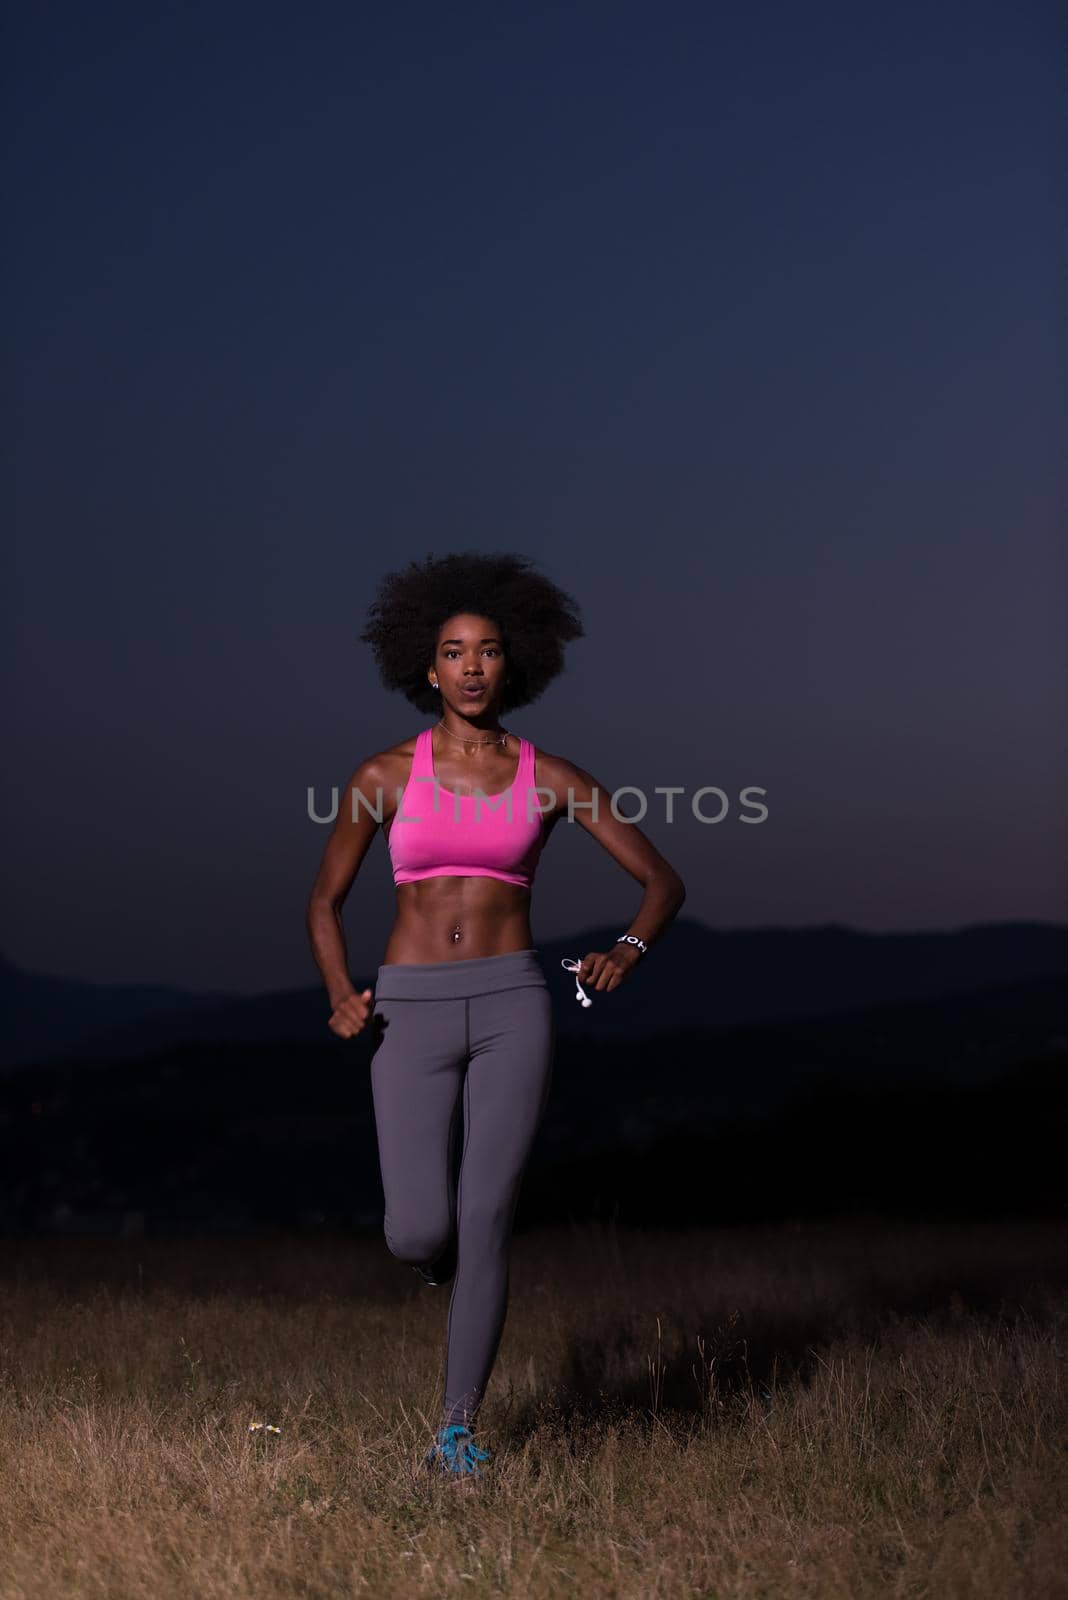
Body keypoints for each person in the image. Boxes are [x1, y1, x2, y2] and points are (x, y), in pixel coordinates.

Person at [305, 551, 686, 1481]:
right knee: (417, 1232)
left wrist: (625, 950)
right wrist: (341, 992)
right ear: (425, 669)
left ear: (511, 667)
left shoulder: (549, 775)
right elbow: (324, 902)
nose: (471, 667)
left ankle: (456, 1432)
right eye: (452, 651)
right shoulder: (382, 776)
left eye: (487, 651)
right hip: (408, 1010)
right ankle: (434, 1270)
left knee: (486, 1216)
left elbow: (661, 880)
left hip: (515, 1001)